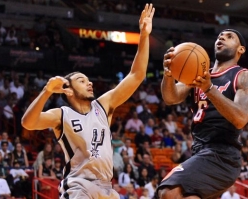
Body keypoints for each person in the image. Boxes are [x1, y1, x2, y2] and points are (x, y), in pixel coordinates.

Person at [21, 4, 155, 199]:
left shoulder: (103, 105)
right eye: (81, 81)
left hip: (107, 188)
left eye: (88, 80)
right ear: (68, 90)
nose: (89, 82)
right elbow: (28, 123)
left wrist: (144, 35)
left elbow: (137, 75)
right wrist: (46, 91)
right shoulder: (62, 115)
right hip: (80, 185)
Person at [157, 29, 248, 199]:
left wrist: (209, 88)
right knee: (187, 196)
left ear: (240, 49)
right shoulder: (197, 74)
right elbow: (170, 97)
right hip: (200, 151)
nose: (222, 37)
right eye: (220, 36)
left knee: (169, 192)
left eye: (229, 37)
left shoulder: (245, 77)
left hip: (223, 155)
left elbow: (240, 118)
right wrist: (168, 74)